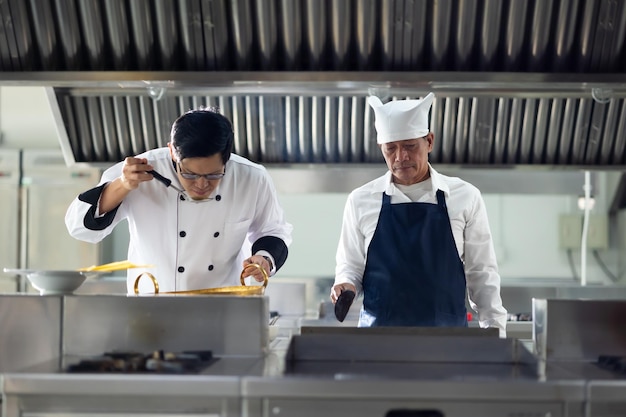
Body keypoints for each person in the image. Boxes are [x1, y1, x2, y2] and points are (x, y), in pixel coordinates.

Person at [330, 93, 507, 337]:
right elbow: (350, 266)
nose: (400, 157)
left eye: (410, 146)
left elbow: (482, 274)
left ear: (430, 141)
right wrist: (345, 285)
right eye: (390, 149)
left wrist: (495, 334)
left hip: (449, 346)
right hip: (377, 345)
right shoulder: (360, 200)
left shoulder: (465, 196)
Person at [66, 107, 292, 294]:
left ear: (227, 158)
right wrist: (122, 185)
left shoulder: (252, 178)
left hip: (221, 310)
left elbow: (274, 231)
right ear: (172, 152)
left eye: (214, 175)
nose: (202, 184)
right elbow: (79, 227)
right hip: (150, 310)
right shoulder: (141, 169)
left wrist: (264, 258)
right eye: (190, 174)